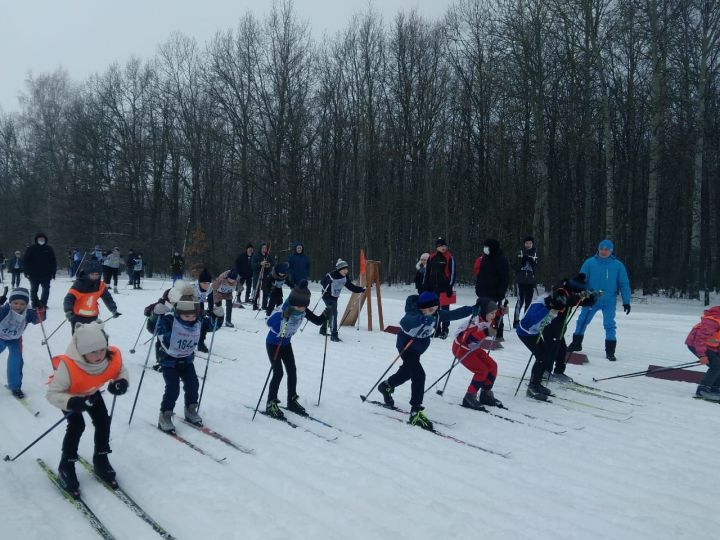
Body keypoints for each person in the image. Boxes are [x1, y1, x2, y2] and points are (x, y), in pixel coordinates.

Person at [46, 321, 129, 496]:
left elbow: (120, 370)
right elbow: (53, 394)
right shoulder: (68, 366)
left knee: (103, 421)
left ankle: (100, 458)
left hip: (91, 392)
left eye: (101, 350)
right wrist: (72, 402)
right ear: (82, 352)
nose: (99, 355)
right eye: (92, 352)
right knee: (77, 425)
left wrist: (121, 382)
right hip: (70, 396)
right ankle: (66, 465)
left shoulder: (110, 356)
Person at [377, 291, 474, 430]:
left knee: (407, 373)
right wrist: (421, 319)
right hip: (406, 348)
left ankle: (386, 386)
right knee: (419, 375)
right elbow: (406, 321)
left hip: (417, 350)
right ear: (421, 307)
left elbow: (453, 315)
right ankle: (416, 411)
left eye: (435, 309)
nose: (433, 312)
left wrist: (471, 309)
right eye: (429, 310)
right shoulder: (413, 313)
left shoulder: (435, 314)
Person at [149, 294, 223, 433]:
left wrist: (218, 316)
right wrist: (155, 315)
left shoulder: (198, 321)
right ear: (179, 313)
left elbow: (213, 326)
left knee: (193, 384)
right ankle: (165, 415)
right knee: (173, 388)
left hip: (187, 359)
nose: (190, 319)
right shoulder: (170, 321)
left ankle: (190, 409)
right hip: (169, 361)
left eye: (193, 316)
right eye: (187, 316)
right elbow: (154, 328)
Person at [264, 280, 329, 419]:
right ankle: (270, 403)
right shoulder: (284, 308)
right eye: (299, 306)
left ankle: (291, 400)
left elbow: (317, 321)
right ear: (293, 302)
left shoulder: (303, 309)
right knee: (278, 373)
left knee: (292, 371)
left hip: (286, 343)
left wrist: (326, 314)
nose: (301, 309)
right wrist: (282, 316)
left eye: (304, 307)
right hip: (273, 343)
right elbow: (268, 322)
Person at [567, 239, 631, 361]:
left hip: (609, 301)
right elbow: (582, 277)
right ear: (598, 249)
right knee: (582, 321)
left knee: (609, 325)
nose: (603, 251)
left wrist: (626, 301)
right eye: (601, 249)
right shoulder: (590, 263)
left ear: (611, 251)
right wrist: (580, 280)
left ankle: (610, 351)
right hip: (591, 298)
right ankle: (576, 344)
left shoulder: (618, 265)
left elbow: (624, 283)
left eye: (606, 249)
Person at [516, 288, 570, 400]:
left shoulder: (551, 304)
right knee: (541, 356)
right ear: (552, 304)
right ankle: (532, 387)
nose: (558, 312)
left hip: (534, 332)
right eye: (557, 310)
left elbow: (546, 320)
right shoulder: (539, 305)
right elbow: (529, 321)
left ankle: (536, 383)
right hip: (525, 332)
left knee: (545, 356)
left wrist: (550, 315)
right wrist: (548, 310)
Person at [452, 298, 503, 409]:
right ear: (484, 312)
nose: (493, 316)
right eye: (492, 313)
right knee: (482, 370)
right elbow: (469, 340)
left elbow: (495, 316)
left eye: (494, 313)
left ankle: (485, 394)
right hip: (462, 349)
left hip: (474, 348)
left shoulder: (487, 316)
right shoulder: (474, 322)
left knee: (492, 366)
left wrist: (501, 312)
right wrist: (486, 332)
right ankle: (469, 397)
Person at [0, 287, 44, 398]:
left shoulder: (28, 313)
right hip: (0, 337)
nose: (18, 306)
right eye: (15, 303)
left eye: (22, 304)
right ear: (10, 302)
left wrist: (40, 309)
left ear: (26, 304)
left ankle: (15, 387)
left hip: (15, 339)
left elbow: (38, 319)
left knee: (16, 362)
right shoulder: (5, 310)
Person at [64, 260, 121, 333]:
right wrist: (68, 310)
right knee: (79, 338)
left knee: (94, 338)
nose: (95, 276)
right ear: (87, 273)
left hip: (93, 317)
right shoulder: (79, 284)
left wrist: (113, 309)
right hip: (77, 317)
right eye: (92, 274)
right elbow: (69, 298)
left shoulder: (100, 285)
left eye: (97, 274)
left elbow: (108, 298)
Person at [320, 259, 365, 342]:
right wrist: (328, 282)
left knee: (330, 311)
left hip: (334, 297)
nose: (346, 271)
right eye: (344, 269)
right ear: (339, 269)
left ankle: (323, 329)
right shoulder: (331, 275)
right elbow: (322, 282)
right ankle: (334, 334)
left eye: (347, 269)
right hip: (326, 296)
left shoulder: (345, 277)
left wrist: (361, 289)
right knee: (334, 313)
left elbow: (350, 287)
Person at [473, 238, 509, 341]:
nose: (485, 249)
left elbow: (505, 278)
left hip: (494, 292)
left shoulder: (501, 259)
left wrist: (501, 293)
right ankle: (483, 332)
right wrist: (478, 287)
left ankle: (498, 333)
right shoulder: (485, 258)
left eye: (487, 247)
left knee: (495, 313)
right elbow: (480, 274)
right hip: (483, 291)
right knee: (482, 313)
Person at [422, 238, 457, 339]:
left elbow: (453, 273)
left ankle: (445, 330)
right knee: (433, 309)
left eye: (445, 246)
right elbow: (427, 272)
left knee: (445, 310)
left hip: (444, 288)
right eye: (441, 246)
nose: (443, 247)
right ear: (437, 247)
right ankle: (436, 329)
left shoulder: (450, 257)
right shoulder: (431, 257)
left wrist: (450, 286)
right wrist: (425, 284)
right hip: (433, 288)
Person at [685, 305, 720, 401]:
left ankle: (715, 389)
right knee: (716, 365)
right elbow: (700, 339)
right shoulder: (713, 320)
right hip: (696, 344)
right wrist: (702, 355)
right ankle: (702, 390)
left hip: (711, 345)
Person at [23, 232, 57, 309]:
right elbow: (25, 261)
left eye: (43, 239)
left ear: (45, 240)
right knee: (34, 290)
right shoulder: (31, 249)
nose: (41, 240)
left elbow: (53, 261)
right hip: (33, 274)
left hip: (46, 275)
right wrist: (26, 271)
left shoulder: (49, 249)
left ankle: (43, 303)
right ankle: (35, 303)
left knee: (46, 289)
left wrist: (53, 272)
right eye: (40, 239)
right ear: (36, 240)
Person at [512, 236, 538, 328]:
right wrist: (521, 263)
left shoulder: (535, 253)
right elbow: (514, 266)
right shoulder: (520, 252)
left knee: (529, 302)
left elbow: (537, 268)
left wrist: (531, 262)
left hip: (530, 282)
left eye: (530, 243)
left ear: (532, 244)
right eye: (526, 243)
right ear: (524, 244)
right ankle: (516, 321)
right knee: (520, 301)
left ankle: (525, 321)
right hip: (521, 281)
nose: (528, 245)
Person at [251, 243, 274, 310]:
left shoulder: (268, 256)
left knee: (266, 291)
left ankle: (264, 306)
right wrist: (260, 263)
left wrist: (269, 265)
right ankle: (255, 305)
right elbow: (253, 265)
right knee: (257, 291)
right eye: (263, 248)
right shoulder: (256, 255)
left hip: (266, 276)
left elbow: (272, 263)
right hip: (257, 276)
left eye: (266, 248)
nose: (264, 249)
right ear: (260, 248)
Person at [195, 269, 213, 353]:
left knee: (203, 323)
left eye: (208, 283)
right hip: (189, 306)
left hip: (200, 304)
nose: (207, 285)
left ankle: (200, 343)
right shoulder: (192, 288)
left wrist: (211, 310)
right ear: (199, 282)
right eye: (204, 283)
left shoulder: (210, 289)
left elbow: (211, 300)